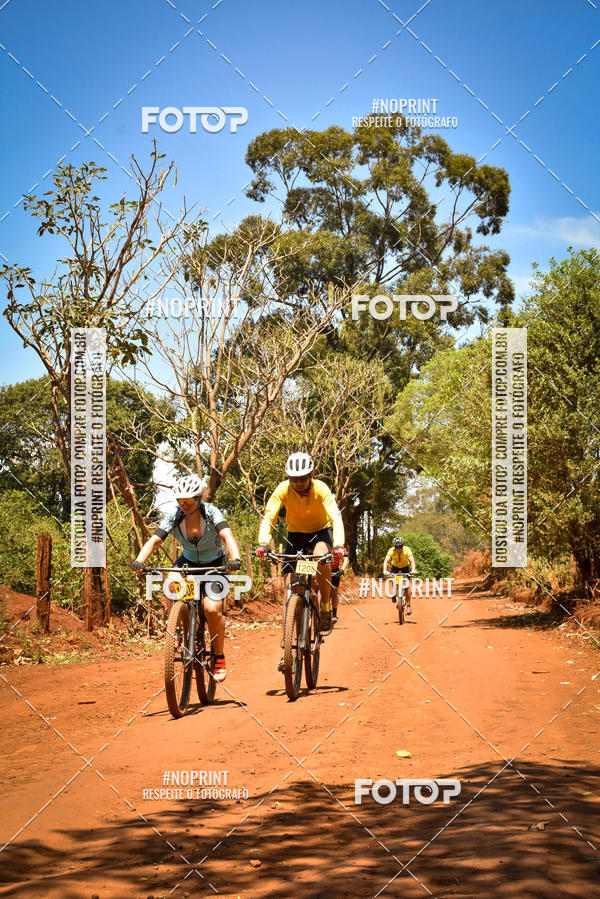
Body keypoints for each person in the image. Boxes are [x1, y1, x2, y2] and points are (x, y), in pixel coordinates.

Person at [131, 474, 241, 683]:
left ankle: (218, 657)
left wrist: (235, 558)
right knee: (171, 585)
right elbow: (155, 540)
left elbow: (227, 535)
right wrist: (139, 561)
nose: (185, 505)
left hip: (215, 565)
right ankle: (177, 626)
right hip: (187, 563)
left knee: (211, 609)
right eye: (181, 501)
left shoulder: (211, 513)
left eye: (189, 501)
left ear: (199, 499)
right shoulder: (175, 516)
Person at [255, 452, 345, 636]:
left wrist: (338, 545)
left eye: (302, 478)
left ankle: (326, 606)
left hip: (320, 532)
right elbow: (270, 516)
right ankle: (289, 642)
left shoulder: (321, 488)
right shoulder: (282, 489)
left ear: (311, 475)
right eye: (294, 479)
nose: (298, 483)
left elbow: (335, 515)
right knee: (291, 588)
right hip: (295, 536)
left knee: (321, 556)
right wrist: (263, 542)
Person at [383, 536, 417, 614]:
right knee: (392, 579)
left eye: (400, 546)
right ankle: (395, 593)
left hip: (405, 568)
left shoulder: (407, 550)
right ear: (394, 546)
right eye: (397, 547)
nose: (398, 548)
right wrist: (385, 570)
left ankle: (408, 606)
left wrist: (413, 569)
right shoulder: (391, 550)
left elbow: (412, 561)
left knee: (407, 587)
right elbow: (386, 561)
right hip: (395, 568)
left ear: (402, 545)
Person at [330, 546, 350, 625]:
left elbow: (346, 559)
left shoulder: (339, 548)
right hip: (321, 569)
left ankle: (334, 614)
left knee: (334, 591)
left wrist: (342, 569)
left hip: (334, 571)